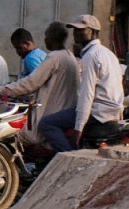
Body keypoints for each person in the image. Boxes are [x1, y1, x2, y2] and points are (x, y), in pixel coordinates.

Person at [38, 15, 123, 153]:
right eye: (75, 30)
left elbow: (87, 94)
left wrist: (78, 129)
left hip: (97, 113)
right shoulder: (108, 53)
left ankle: (68, 157)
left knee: (47, 123)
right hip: (112, 111)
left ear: (94, 32)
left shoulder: (91, 56)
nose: (76, 33)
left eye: (81, 30)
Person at [0, 21, 78, 148]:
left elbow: (30, 83)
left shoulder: (54, 58)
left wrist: (1, 89)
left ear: (52, 38)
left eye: (46, 36)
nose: (45, 40)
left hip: (53, 109)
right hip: (64, 107)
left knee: (15, 134)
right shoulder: (69, 56)